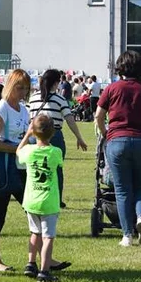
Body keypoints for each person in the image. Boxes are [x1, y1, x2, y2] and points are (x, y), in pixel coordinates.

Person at [95, 50, 141, 247]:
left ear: (121, 68)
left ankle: (127, 235)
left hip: (117, 141)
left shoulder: (112, 88)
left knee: (122, 190)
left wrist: (106, 132)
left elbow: (98, 116)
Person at [0, 69, 33, 269]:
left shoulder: (23, 109)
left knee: (34, 211)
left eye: (26, 88)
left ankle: (38, 258)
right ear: (10, 86)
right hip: (3, 169)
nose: (22, 92)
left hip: (21, 169)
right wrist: (17, 148)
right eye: (19, 87)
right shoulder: (1, 108)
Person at [27, 69, 88, 207]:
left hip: (33, 137)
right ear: (56, 83)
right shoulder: (60, 99)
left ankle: (34, 196)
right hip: (54, 137)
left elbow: (29, 119)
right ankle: (57, 199)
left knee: (34, 169)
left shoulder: (33, 98)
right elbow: (69, 119)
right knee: (56, 170)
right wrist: (79, 137)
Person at [17, 114, 64, 282]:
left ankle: (31, 263)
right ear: (52, 133)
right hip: (49, 202)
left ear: (34, 132)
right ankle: (44, 271)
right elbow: (59, 164)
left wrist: (27, 135)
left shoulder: (29, 151)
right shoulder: (55, 152)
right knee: (48, 237)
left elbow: (18, 152)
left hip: (31, 200)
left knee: (34, 233)